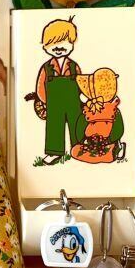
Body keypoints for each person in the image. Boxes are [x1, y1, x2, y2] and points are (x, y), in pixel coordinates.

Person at [31, 17, 85, 164]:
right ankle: (54, 152)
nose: (58, 47)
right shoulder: (46, 68)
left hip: (73, 103)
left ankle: (79, 148)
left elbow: (81, 83)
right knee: (54, 126)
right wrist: (46, 101)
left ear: (72, 44)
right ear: (45, 46)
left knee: (77, 124)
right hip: (54, 104)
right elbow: (40, 86)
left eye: (63, 42)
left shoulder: (73, 66)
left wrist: (83, 98)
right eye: (53, 43)